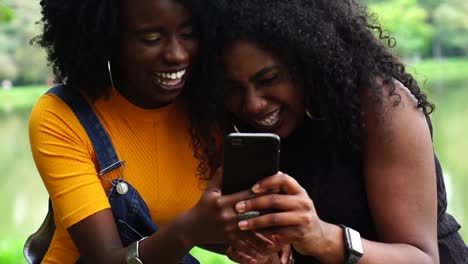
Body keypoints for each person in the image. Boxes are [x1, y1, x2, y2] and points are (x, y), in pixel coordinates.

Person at [190, 0, 468, 263]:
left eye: (270, 79)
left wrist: (324, 238)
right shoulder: (241, 133)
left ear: (307, 59)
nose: (252, 104)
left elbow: (422, 258)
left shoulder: (378, 105)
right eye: (232, 89)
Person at [29, 0, 290, 263]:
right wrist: (190, 229)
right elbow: (105, 258)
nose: (177, 54)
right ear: (107, 38)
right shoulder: (61, 115)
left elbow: (204, 225)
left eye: (188, 34)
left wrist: (255, 243)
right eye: (152, 38)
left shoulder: (208, 107)